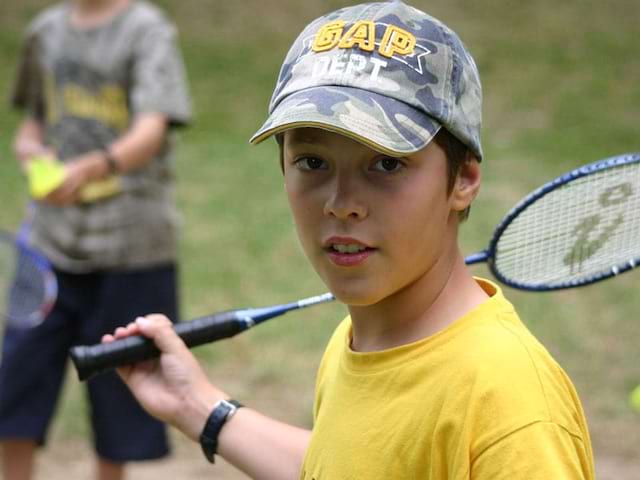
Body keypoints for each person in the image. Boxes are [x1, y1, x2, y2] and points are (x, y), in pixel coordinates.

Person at [103, 2, 595, 479]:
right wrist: (198, 406)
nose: (341, 202)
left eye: (386, 163)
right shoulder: (359, 340)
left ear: (463, 178)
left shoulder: (510, 409)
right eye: (312, 162)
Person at [0, 0, 191, 479]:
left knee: (121, 401)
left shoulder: (147, 31)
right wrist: (28, 149)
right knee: (14, 388)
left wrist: (93, 167)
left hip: (131, 247)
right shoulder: (44, 30)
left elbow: (152, 128)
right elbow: (33, 122)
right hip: (47, 247)